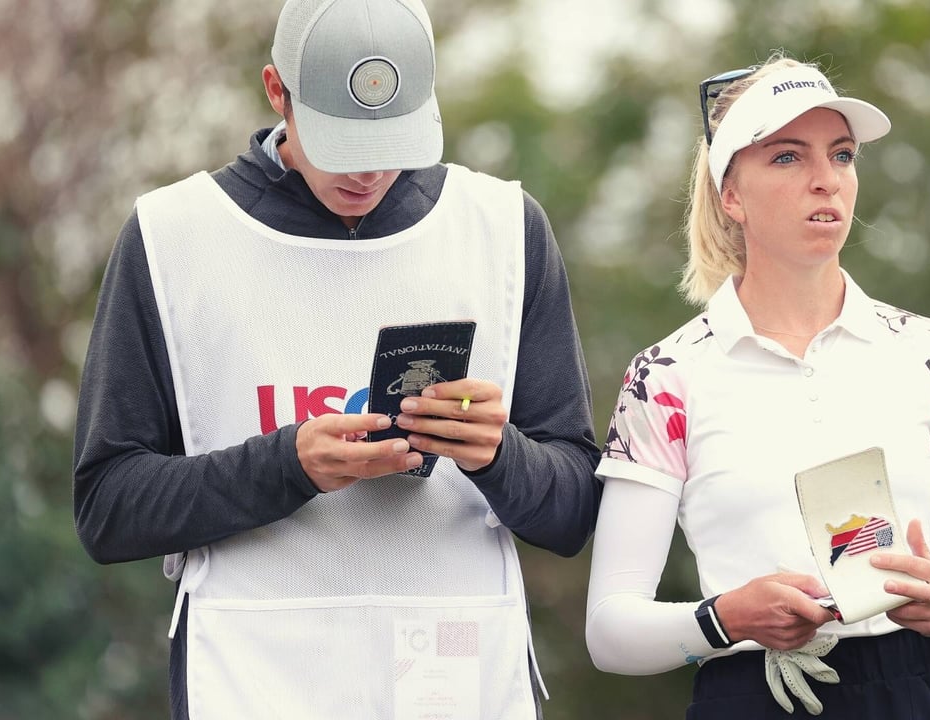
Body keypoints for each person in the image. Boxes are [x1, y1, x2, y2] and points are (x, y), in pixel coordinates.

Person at [72, 0, 601, 717]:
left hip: (454, 671)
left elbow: (571, 512)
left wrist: (497, 456)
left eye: (393, 141)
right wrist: (289, 465)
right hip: (253, 678)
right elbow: (107, 509)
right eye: (340, 143)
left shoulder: (504, 229)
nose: (369, 172)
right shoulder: (172, 237)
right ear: (275, 91)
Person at [584, 54, 930, 718]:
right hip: (750, 694)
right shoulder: (666, 375)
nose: (825, 181)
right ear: (731, 195)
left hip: (922, 689)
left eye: (841, 156)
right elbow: (610, 633)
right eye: (788, 158)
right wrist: (724, 619)